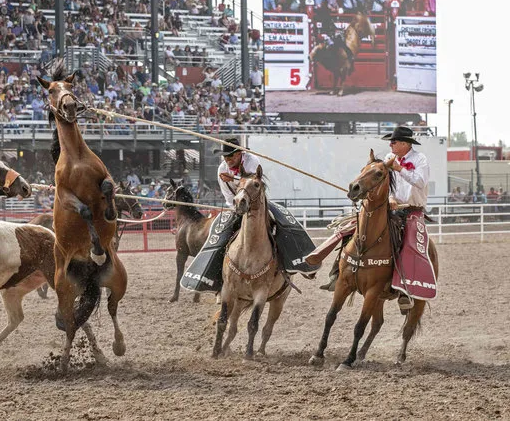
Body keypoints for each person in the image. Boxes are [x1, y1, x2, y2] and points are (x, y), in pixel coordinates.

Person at [182, 138, 319, 293]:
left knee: (283, 223)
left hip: (257, 204)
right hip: (236, 207)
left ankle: (298, 264)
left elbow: (253, 182)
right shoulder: (222, 169)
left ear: (240, 153)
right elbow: (228, 196)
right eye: (225, 157)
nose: (227, 160)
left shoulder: (252, 160)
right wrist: (237, 207)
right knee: (219, 233)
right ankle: (214, 278)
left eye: (231, 156)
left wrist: (233, 179)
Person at [319, 126, 431, 311]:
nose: (390, 144)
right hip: (388, 207)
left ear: (404, 144)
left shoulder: (420, 159)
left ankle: (405, 290)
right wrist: (389, 198)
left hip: (411, 210)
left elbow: (420, 182)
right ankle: (336, 273)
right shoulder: (388, 158)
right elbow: (380, 183)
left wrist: (399, 169)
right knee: (354, 228)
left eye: (393, 142)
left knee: (409, 242)